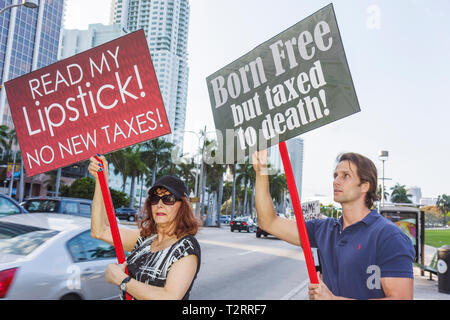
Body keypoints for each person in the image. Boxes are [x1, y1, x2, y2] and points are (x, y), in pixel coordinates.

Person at [252, 150, 415, 300]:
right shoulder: (323, 229)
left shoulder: (389, 236)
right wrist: (261, 172)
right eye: (335, 175)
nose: (336, 181)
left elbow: (401, 298)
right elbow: (268, 222)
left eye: (345, 176)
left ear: (365, 186)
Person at [89, 155, 201, 300]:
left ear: (183, 206)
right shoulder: (144, 239)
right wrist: (101, 180)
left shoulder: (186, 247)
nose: (160, 204)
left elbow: (170, 297)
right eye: (155, 198)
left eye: (168, 199)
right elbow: (99, 231)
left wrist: (123, 281)